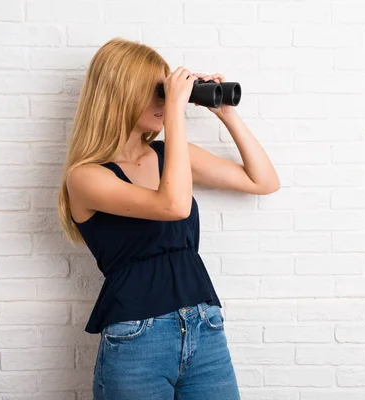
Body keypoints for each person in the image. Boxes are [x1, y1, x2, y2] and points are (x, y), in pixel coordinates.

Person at [56, 37, 280, 399]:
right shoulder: (86, 177)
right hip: (137, 339)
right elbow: (173, 205)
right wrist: (175, 112)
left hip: (204, 326)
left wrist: (227, 114)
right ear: (120, 95)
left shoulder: (168, 156)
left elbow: (263, 181)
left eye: (165, 91)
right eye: (156, 91)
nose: (164, 100)